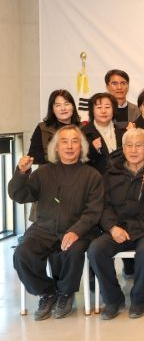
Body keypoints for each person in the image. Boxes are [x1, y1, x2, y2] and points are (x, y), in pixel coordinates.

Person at [10, 125, 103, 320]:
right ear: (56, 147)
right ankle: (48, 292)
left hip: (79, 229)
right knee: (22, 254)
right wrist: (21, 173)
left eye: (75, 141)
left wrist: (76, 231)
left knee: (73, 250)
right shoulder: (42, 172)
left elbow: (93, 211)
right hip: (44, 227)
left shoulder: (92, 175)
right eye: (64, 142)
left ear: (81, 147)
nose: (69, 146)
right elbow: (20, 195)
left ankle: (66, 293)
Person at [88, 128, 144, 319]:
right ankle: (113, 299)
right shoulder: (111, 174)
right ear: (123, 148)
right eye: (129, 145)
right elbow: (103, 206)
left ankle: (138, 299)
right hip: (121, 228)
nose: (134, 150)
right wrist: (112, 228)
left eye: (139, 145)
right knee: (96, 249)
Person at [28, 89, 81, 165]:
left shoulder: (82, 128)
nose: (63, 108)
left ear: (73, 107)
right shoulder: (42, 128)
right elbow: (33, 156)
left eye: (66, 104)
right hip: (49, 171)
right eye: (58, 105)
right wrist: (60, 157)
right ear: (52, 109)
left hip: (78, 171)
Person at [82, 92, 124, 174]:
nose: (103, 111)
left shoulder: (121, 131)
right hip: (96, 178)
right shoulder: (84, 133)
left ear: (113, 110)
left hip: (119, 178)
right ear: (92, 111)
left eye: (107, 107)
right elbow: (80, 161)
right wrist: (93, 149)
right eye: (99, 107)